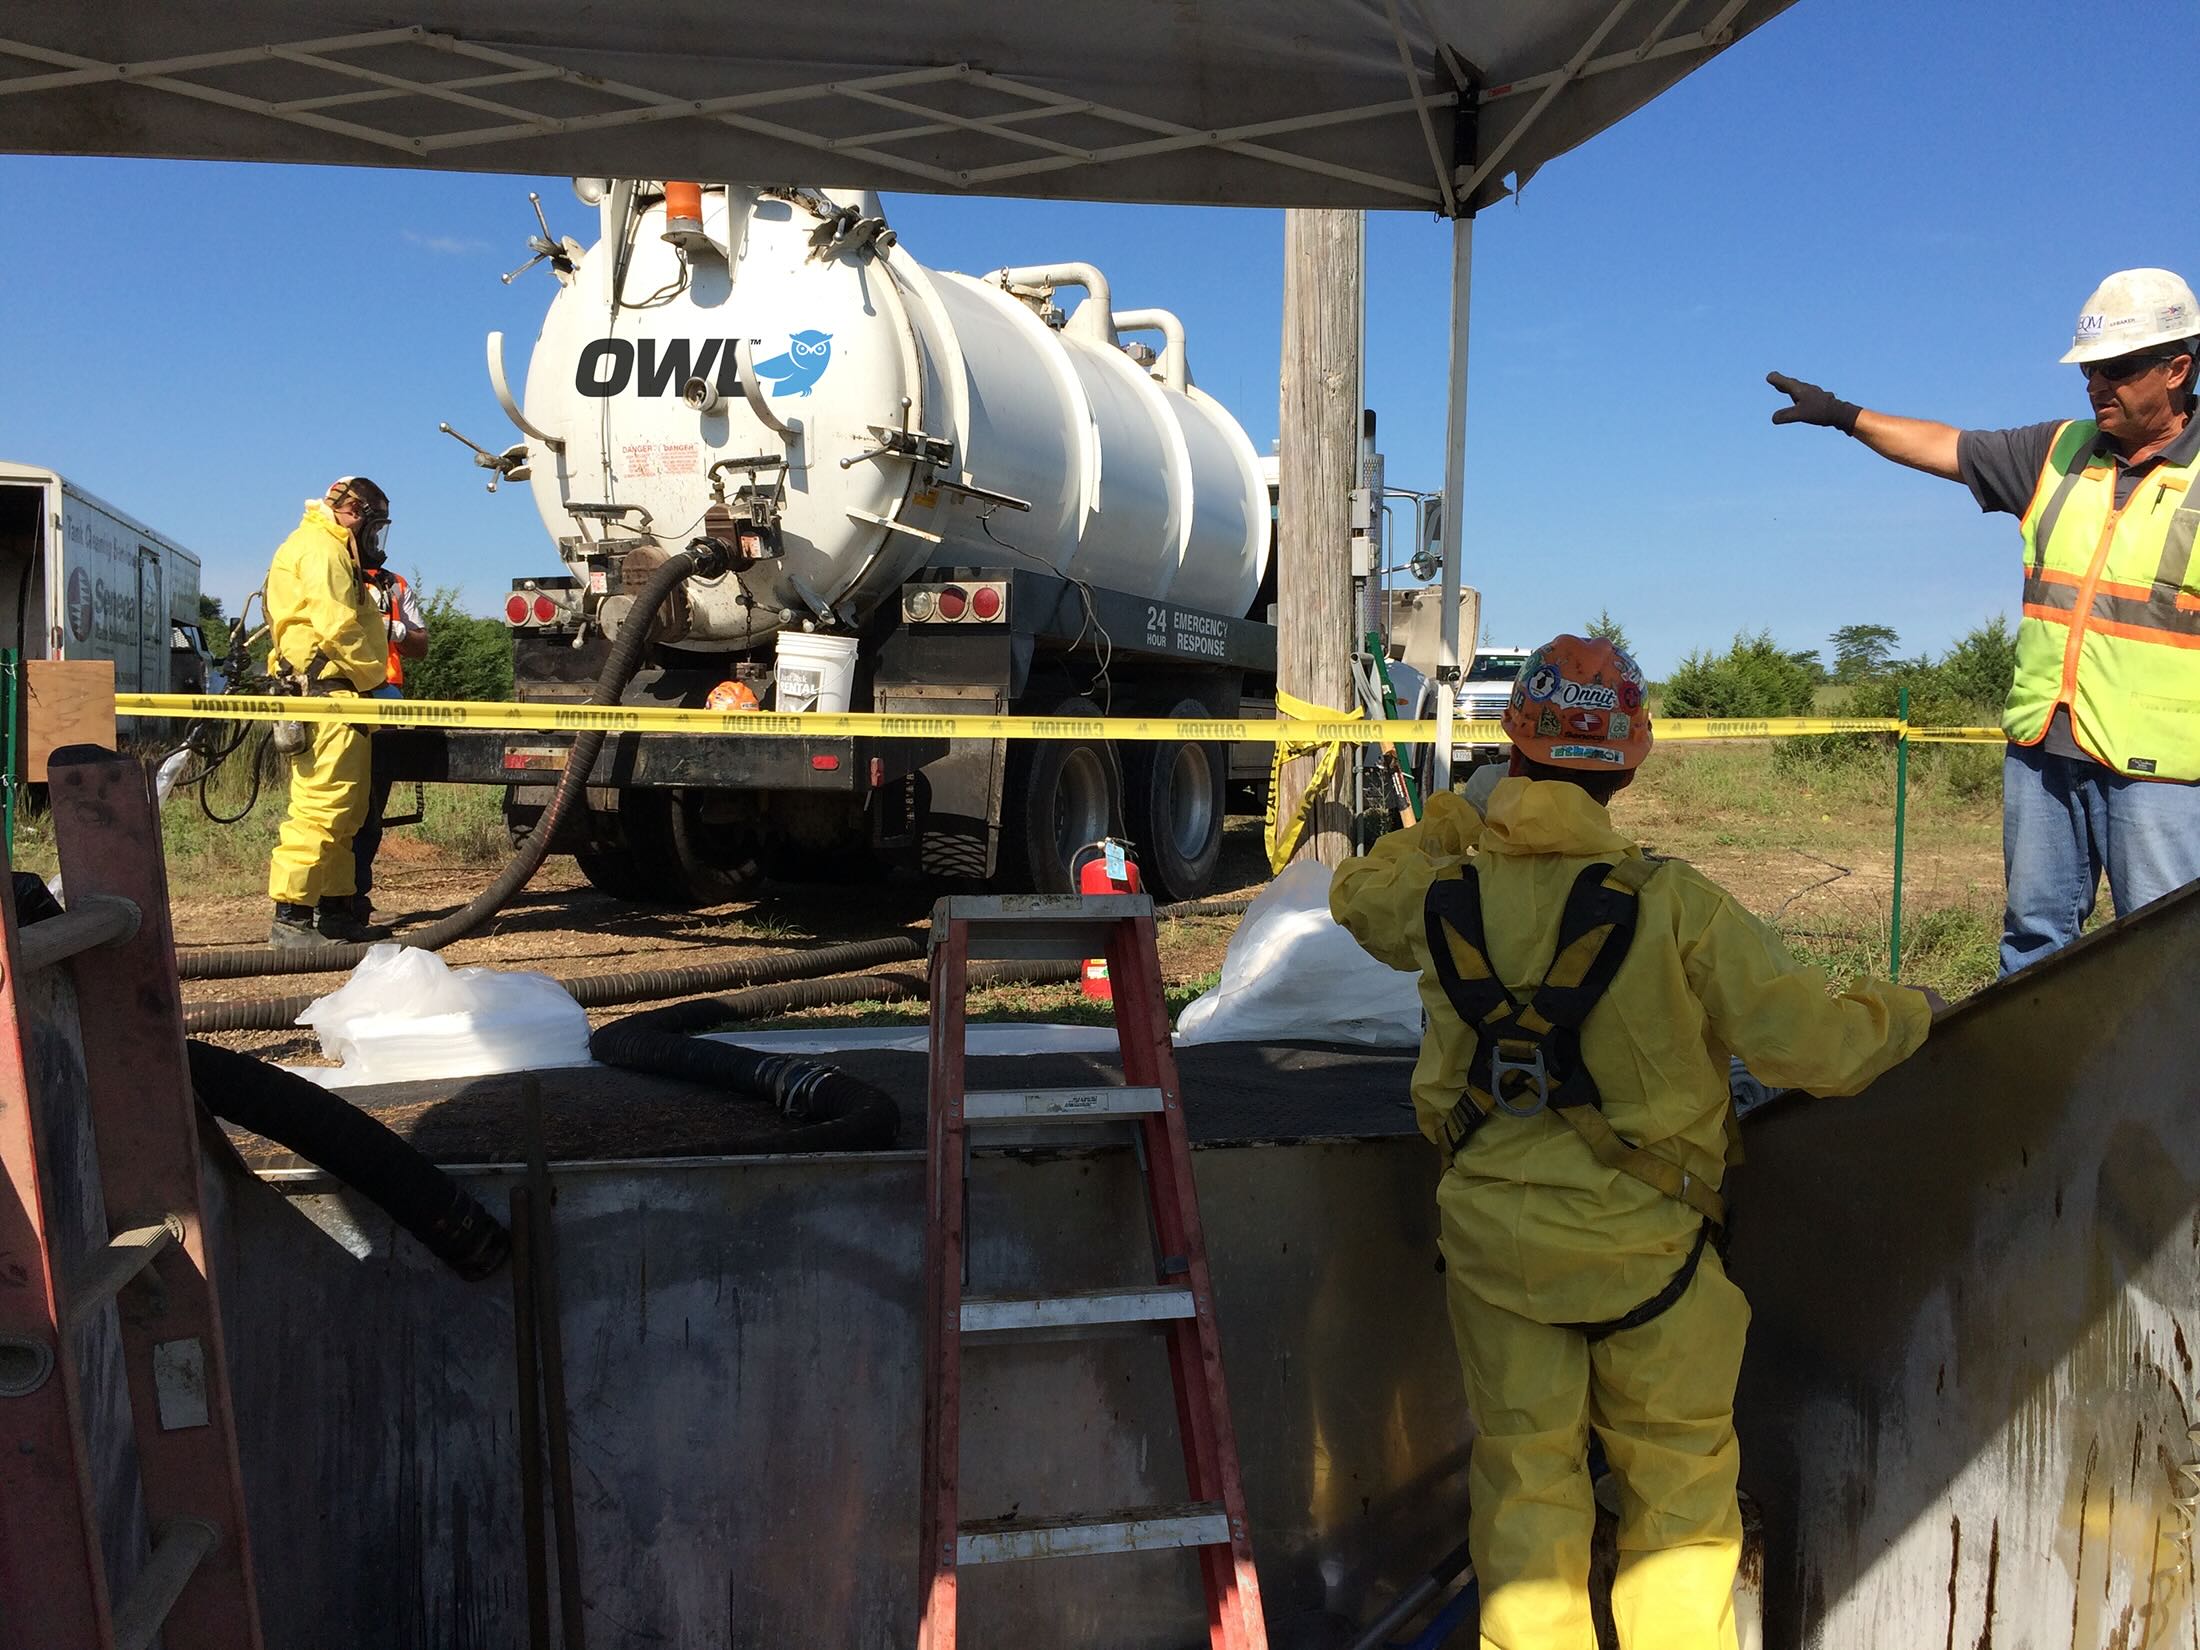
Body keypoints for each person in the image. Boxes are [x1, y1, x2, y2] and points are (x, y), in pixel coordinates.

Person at [1331, 634, 1937, 1650]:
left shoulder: (1437, 895)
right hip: (1652, 1258)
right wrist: (1905, 1009)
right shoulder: (1676, 908)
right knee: (1677, 1494)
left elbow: (1358, 896)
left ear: (1509, 747)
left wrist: (1447, 821)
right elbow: (1817, 1051)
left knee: (1526, 1480)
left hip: (1495, 1258)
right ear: (1629, 761)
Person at [1769, 267, 2200, 974]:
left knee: (2163, 962)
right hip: (2042, 748)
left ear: (2177, 368)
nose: (2096, 386)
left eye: (2116, 370)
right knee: (2033, 945)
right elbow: (1948, 447)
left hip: (2160, 775)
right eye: (2089, 370)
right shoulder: (2057, 452)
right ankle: (2028, 1083)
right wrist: (1845, 415)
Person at [264, 476, 392, 947]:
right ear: (353, 512)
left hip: (340, 694)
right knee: (321, 808)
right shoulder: (322, 550)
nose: (373, 540)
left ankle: (336, 911)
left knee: (347, 811)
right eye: (373, 527)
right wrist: (375, 679)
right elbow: (336, 626)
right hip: (328, 693)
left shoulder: (325, 545)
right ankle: (291, 917)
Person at [349, 553, 431, 926]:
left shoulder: (394, 583)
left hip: (384, 695)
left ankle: (355, 898)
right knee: (336, 804)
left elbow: (420, 644)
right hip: (339, 693)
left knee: (371, 804)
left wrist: (396, 630)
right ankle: (324, 899)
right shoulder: (327, 571)